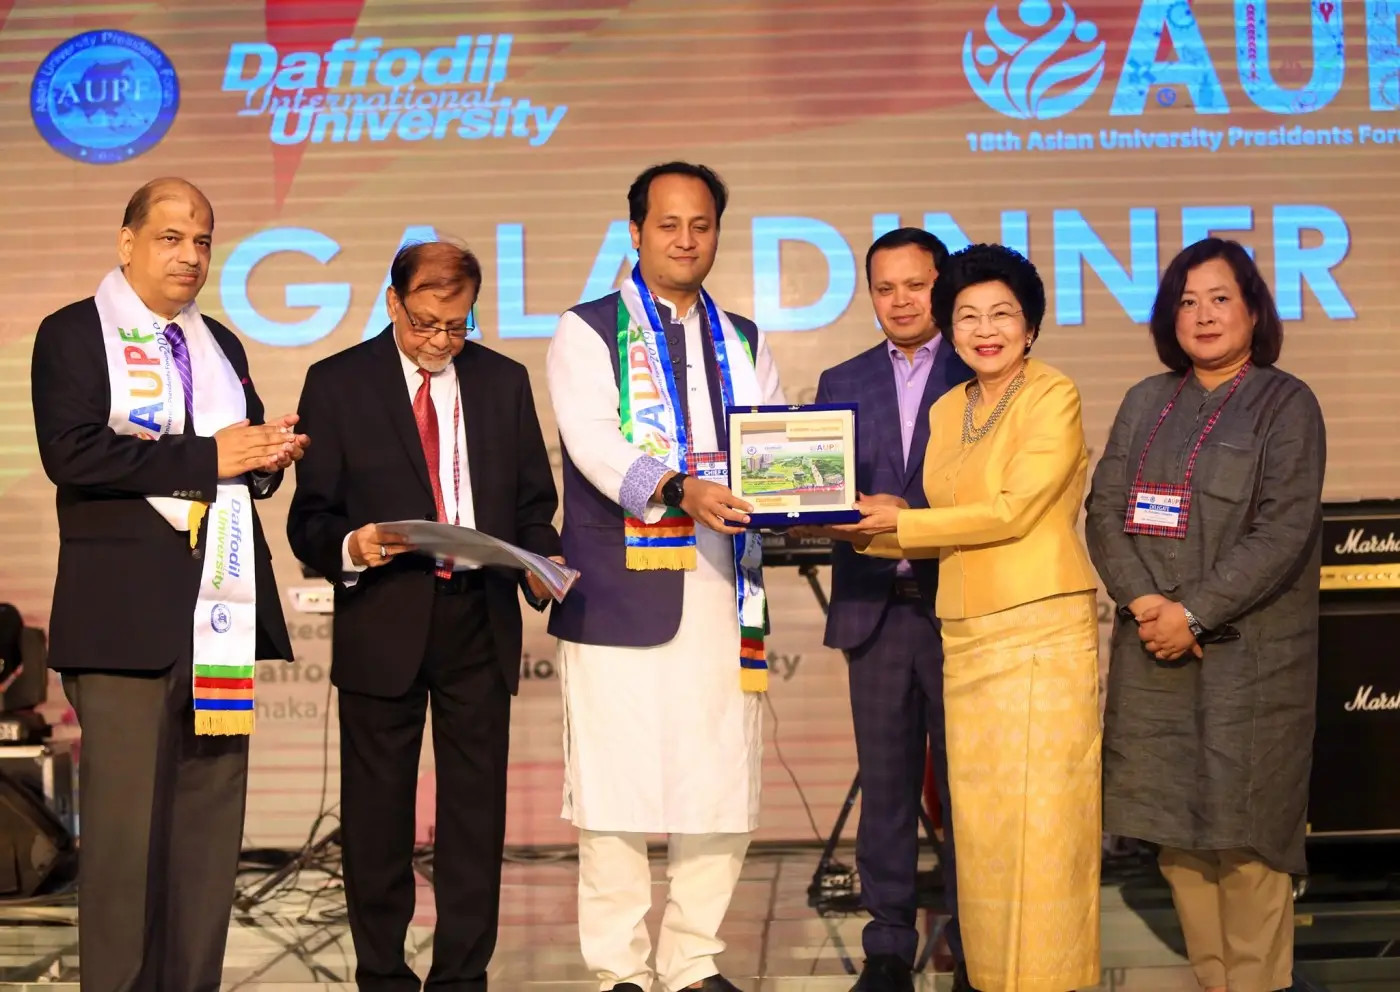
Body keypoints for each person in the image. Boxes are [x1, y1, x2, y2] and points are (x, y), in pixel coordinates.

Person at [30, 177, 307, 992]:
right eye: (171, 237)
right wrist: (211, 457)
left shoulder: (220, 343)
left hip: (218, 612)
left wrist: (268, 458)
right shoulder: (74, 333)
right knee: (125, 843)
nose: (190, 255)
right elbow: (72, 453)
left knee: (207, 838)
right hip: (122, 620)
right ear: (127, 243)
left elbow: (237, 458)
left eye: (203, 241)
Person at [286, 241, 562, 992]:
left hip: (479, 617)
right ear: (393, 303)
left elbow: (533, 504)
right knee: (377, 816)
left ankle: (462, 977)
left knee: (475, 815)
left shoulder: (502, 381)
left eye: (457, 325)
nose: (441, 340)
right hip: (384, 614)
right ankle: (382, 974)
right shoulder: (338, 383)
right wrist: (352, 545)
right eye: (425, 324)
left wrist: (542, 562)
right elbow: (310, 520)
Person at [828, 243, 1102, 992]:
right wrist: (851, 525)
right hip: (968, 634)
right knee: (979, 828)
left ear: (1031, 325)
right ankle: (986, 975)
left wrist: (899, 521)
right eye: (969, 316)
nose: (986, 330)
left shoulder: (1052, 394)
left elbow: (1012, 511)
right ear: (951, 328)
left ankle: (1047, 979)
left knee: (1043, 826)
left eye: (1002, 314)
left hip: (1039, 631)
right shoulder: (951, 408)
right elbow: (936, 520)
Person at [544, 161, 785, 992]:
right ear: (636, 232)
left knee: (719, 777)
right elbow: (593, 443)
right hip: (619, 588)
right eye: (668, 224)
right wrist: (682, 488)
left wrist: (803, 490)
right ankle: (619, 969)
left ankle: (692, 960)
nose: (686, 240)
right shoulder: (587, 329)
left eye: (701, 225)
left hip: (723, 586)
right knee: (613, 787)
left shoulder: (744, 338)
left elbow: (771, 447)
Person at [1085, 238, 1326, 992]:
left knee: (1248, 844)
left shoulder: (1287, 403)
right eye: (1187, 302)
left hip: (1250, 664)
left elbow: (1282, 532)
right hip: (1154, 654)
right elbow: (1104, 512)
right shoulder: (1145, 401)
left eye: (1220, 298)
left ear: (1253, 310)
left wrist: (1192, 612)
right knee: (1180, 841)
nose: (1203, 315)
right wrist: (1147, 605)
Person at [808, 228, 973, 992]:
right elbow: (818, 490)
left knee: (971, 788)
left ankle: (977, 937)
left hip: (960, 608)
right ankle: (887, 945)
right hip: (875, 609)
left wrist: (915, 515)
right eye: (884, 287)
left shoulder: (979, 370)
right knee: (885, 787)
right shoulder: (842, 378)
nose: (900, 301)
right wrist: (812, 507)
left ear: (942, 285)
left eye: (915, 284)